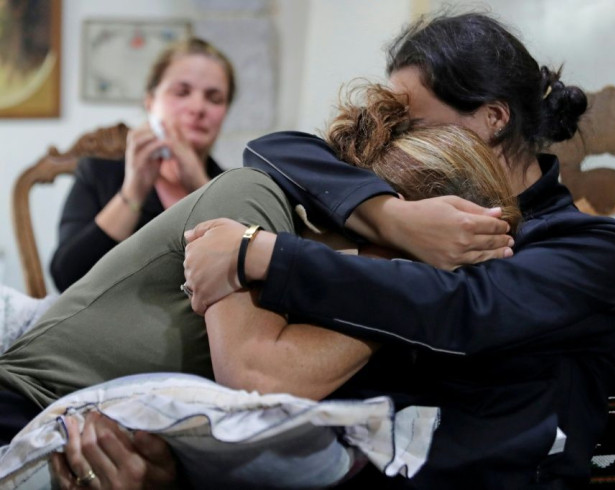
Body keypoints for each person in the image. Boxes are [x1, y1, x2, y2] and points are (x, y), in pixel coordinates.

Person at [182, 12, 615, 489]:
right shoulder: (413, 203)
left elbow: (460, 307)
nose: (397, 142)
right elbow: (274, 150)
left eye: (412, 125)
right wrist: (393, 219)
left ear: (494, 118)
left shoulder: (593, 248)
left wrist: (263, 255)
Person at [0, 84, 520, 488]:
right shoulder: (254, 200)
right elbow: (256, 379)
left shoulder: (338, 288)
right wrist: (415, 285)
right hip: (18, 411)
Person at [49, 37, 234, 292]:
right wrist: (133, 191)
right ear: (150, 102)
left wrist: (199, 187)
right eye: (181, 92)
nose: (197, 107)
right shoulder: (99, 173)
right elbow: (67, 278)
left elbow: (243, 274)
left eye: (214, 99)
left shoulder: (234, 187)